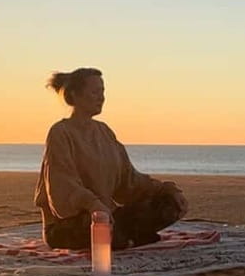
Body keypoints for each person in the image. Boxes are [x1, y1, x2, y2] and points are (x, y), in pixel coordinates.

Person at [34, 67, 188, 250]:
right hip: (69, 223)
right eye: (94, 92)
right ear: (74, 95)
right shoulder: (60, 133)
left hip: (108, 216)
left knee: (168, 205)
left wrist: (165, 189)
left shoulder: (104, 132)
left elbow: (129, 180)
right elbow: (62, 186)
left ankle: (127, 237)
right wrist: (94, 206)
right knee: (105, 232)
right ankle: (128, 238)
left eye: (102, 92)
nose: (101, 97)